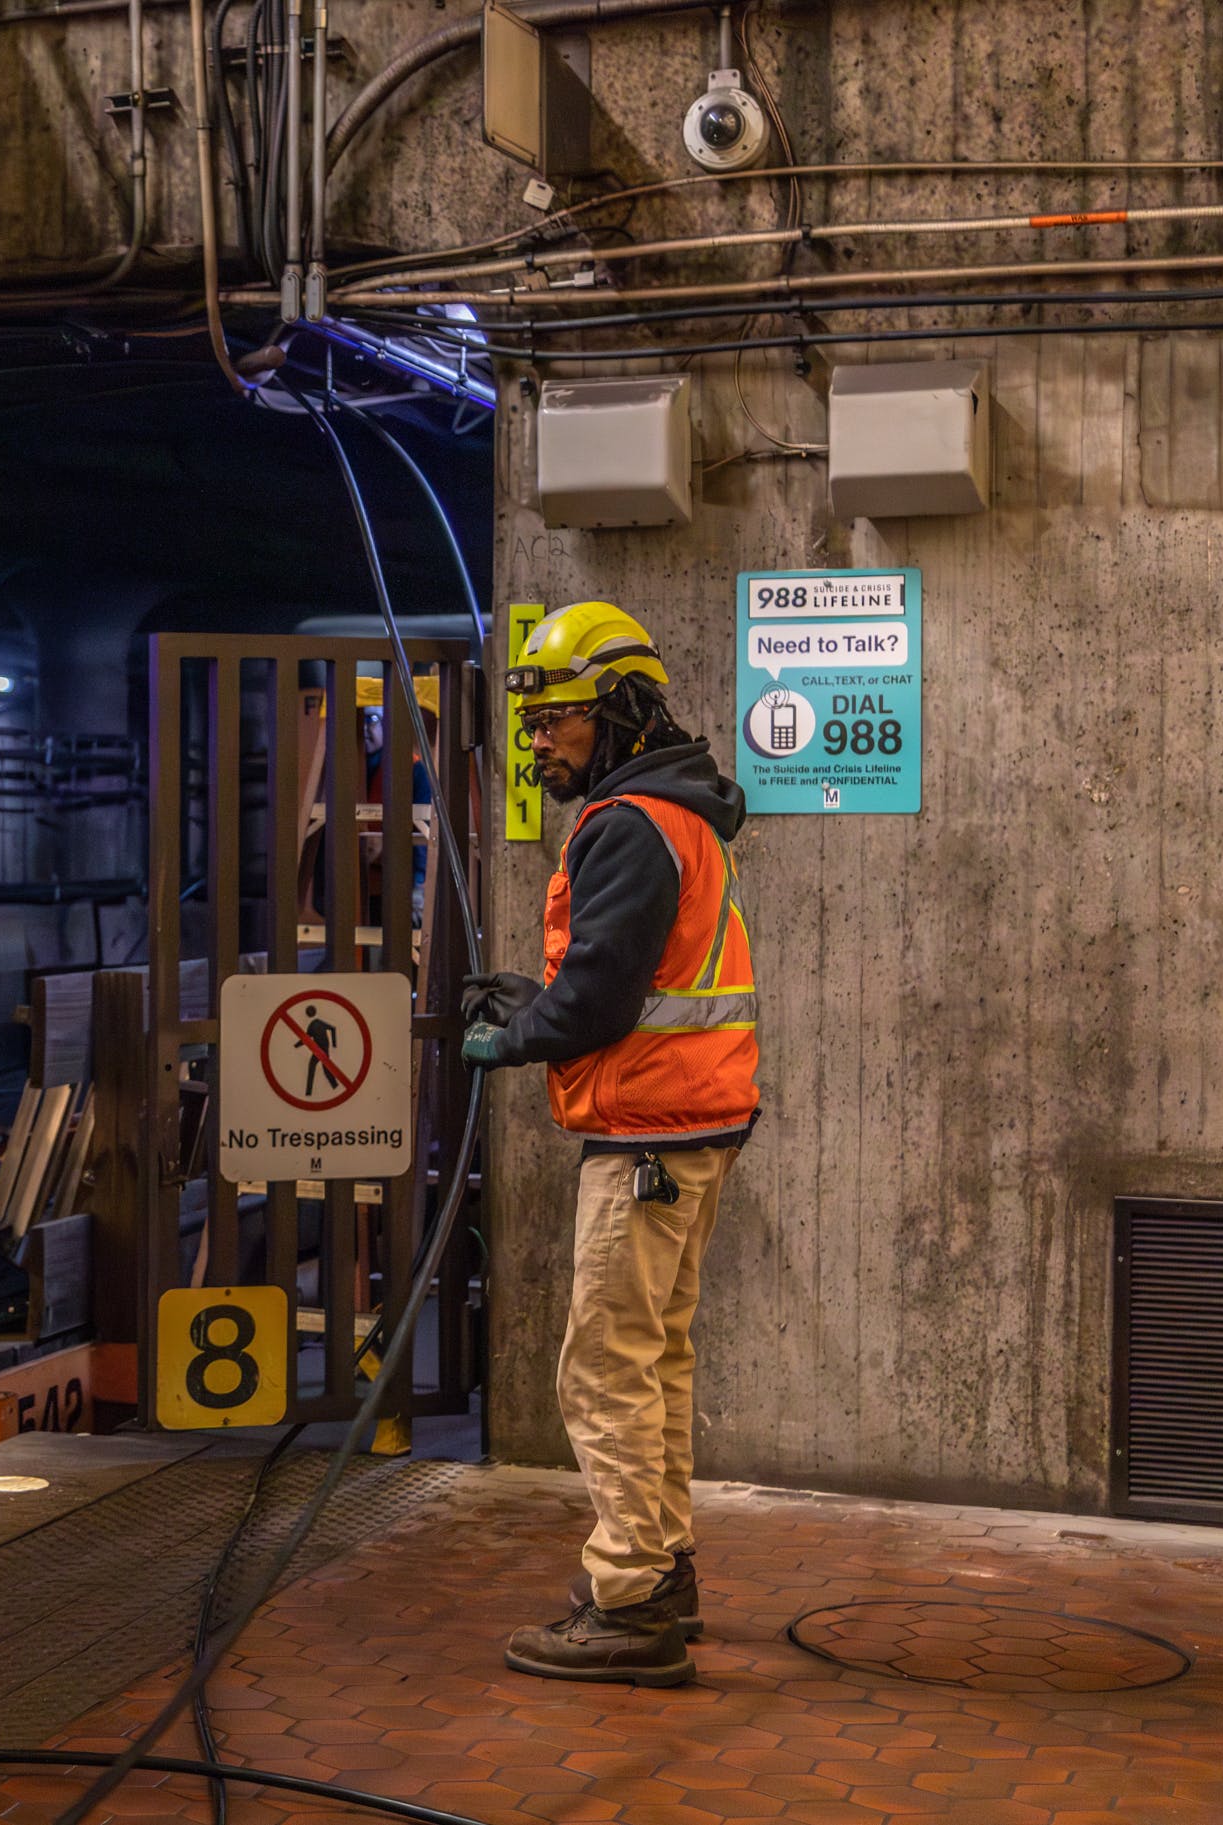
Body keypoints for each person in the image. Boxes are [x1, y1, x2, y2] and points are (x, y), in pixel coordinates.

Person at [459, 601, 760, 1688]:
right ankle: (659, 1567)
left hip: (644, 1133)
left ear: (622, 712)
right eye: (534, 723)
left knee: (600, 1368)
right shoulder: (680, 815)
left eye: (561, 720)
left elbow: (597, 998)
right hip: (690, 1125)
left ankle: (627, 1595)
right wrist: (536, 1003)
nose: (541, 742)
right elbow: (628, 977)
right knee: (652, 1358)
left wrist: (507, 1036)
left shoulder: (627, 823)